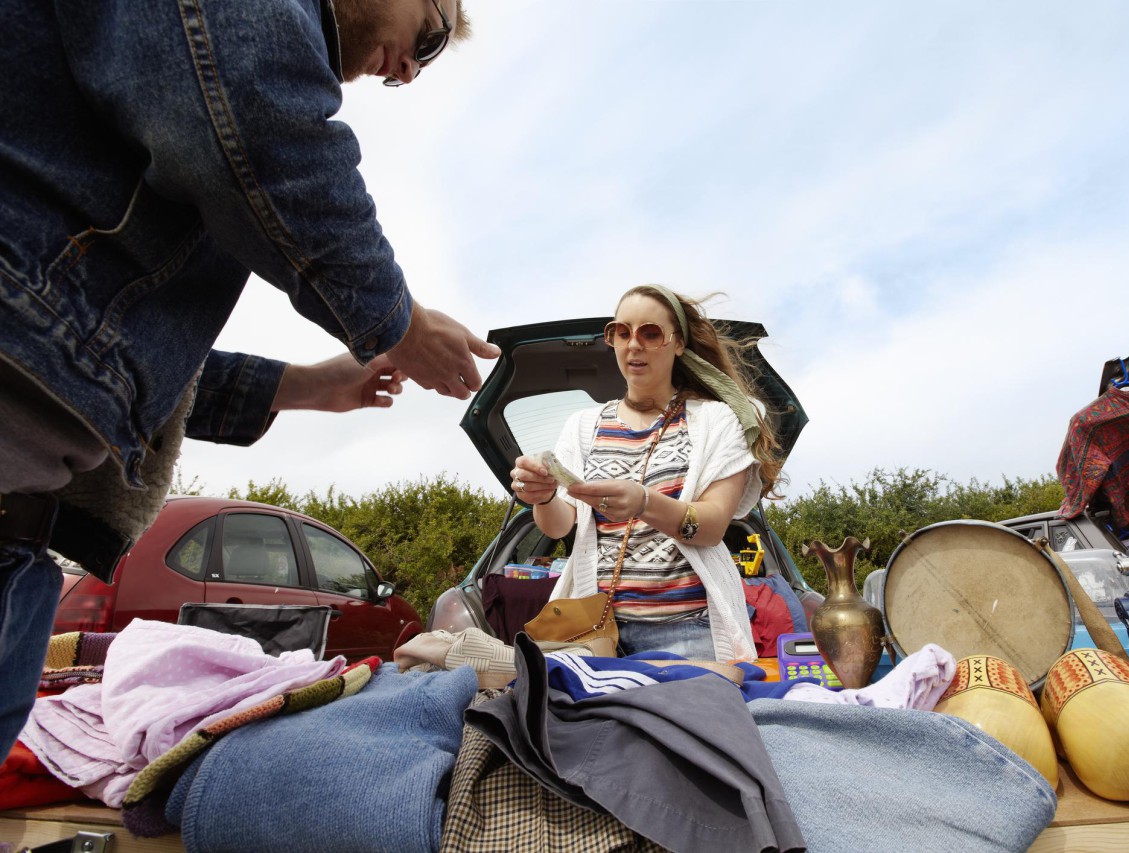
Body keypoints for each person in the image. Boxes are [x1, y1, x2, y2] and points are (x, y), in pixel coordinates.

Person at [0, 0, 501, 757]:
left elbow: (114, 355)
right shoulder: (239, 38)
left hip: (24, 543)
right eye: (426, 39)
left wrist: (309, 385)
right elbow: (254, 121)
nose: (406, 70)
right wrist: (399, 322)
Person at [509, 285, 785, 662]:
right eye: (621, 332)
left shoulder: (716, 421)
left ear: (678, 344)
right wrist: (541, 496)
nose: (633, 344)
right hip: (596, 633)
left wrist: (643, 502)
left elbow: (713, 526)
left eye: (650, 333)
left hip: (689, 631)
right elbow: (560, 527)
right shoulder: (582, 426)